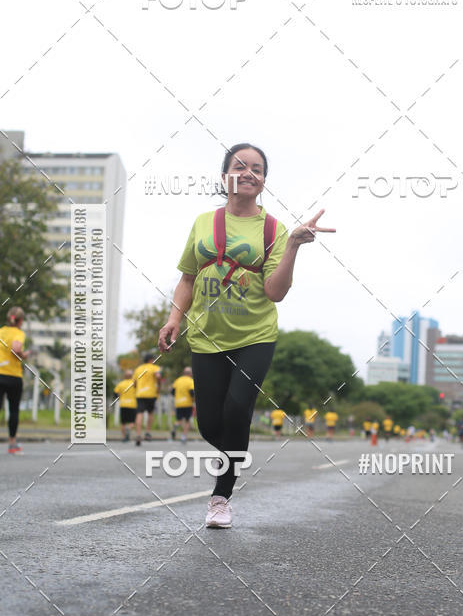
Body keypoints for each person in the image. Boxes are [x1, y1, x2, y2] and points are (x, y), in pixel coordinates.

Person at [158, 142, 335, 528]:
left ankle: (221, 497)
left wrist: (291, 247)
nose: (249, 172)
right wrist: (174, 318)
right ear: (225, 177)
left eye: (257, 168)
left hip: (255, 335)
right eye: (240, 166)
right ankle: (237, 455)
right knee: (209, 423)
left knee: (237, 409)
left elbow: (275, 292)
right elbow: (188, 277)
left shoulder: (273, 228)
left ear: (264, 181)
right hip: (206, 336)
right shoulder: (204, 222)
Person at [0, 307, 30, 454]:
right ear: (21, 320)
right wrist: (24, 355)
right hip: (13, 376)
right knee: (13, 410)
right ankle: (12, 444)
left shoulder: (1, 331)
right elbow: (16, 348)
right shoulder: (19, 333)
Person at [132, 352, 162, 446]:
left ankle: (138, 434)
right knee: (150, 413)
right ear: (151, 360)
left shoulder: (138, 369)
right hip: (151, 394)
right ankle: (148, 432)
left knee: (139, 413)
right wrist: (159, 386)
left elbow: (134, 383)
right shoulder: (154, 367)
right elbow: (158, 376)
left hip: (140, 394)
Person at [171, 366, 195, 443]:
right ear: (190, 373)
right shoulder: (190, 381)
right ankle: (184, 437)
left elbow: (172, 392)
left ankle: (176, 425)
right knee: (187, 420)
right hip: (188, 404)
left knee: (179, 420)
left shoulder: (177, 381)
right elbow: (192, 393)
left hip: (178, 403)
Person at [113, 369, 137, 442]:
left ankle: (124, 437)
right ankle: (129, 428)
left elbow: (115, 394)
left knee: (123, 422)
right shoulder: (134, 383)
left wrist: (119, 398)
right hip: (133, 404)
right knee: (133, 421)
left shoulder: (121, 384)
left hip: (123, 404)